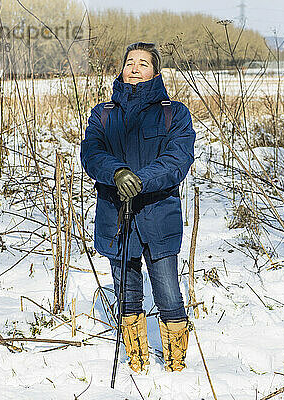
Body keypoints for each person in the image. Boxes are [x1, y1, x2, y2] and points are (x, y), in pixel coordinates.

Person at [80, 42, 196, 373]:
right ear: (121, 70)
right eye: (130, 61)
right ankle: (138, 359)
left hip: (159, 217)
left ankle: (176, 363)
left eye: (143, 63)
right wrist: (116, 173)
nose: (134, 67)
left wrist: (140, 179)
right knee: (128, 295)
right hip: (115, 217)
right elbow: (91, 152)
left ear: (155, 73)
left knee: (169, 294)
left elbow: (177, 159)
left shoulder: (174, 113)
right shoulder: (102, 114)